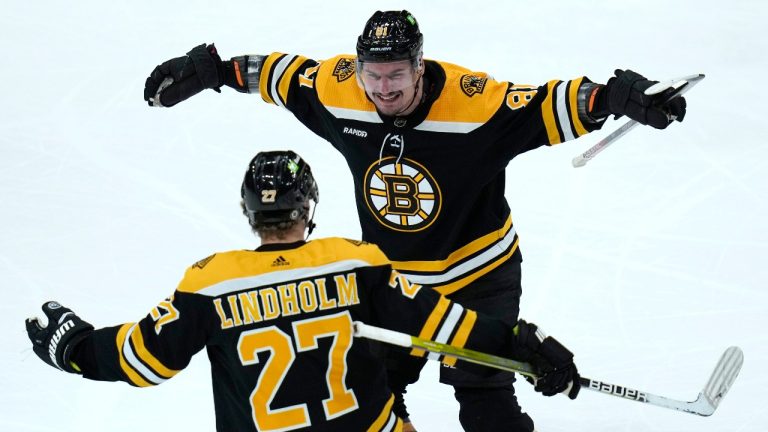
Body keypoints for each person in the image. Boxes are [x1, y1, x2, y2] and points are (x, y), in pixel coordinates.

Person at [142, 10, 686, 432]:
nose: (382, 89)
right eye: (372, 76)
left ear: (419, 66)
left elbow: (548, 105)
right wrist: (212, 69)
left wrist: (616, 96)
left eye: (396, 75)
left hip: (480, 274)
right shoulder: (340, 91)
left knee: (484, 396)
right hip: (393, 285)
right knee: (372, 398)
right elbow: (280, 74)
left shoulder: (475, 104)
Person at [25, 150, 579, 432]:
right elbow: (445, 327)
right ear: (308, 208)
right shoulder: (353, 261)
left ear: (248, 211)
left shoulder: (211, 281)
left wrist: (74, 350)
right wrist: (522, 347)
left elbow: (143, 359)